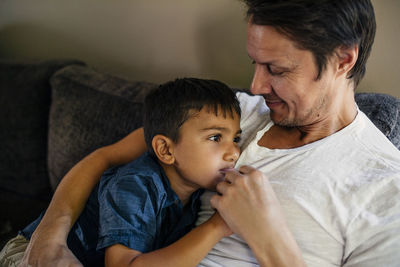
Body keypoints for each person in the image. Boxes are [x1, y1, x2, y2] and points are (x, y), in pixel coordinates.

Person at [19, 0, 400, 266]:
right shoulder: (229, 115)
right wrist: (48, 238)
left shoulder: (386, 188)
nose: (257, 86)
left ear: (343, 60)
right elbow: (105, 157)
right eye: (256, 64)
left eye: (277, 70)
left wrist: (269, 238)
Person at [0, 78, 243, 266]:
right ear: (166, 150)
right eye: (215, 137)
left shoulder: (192, 191)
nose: (234, 152)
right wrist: (217, 226)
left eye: (236, 138)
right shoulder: (135, 186)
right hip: (28, 255)